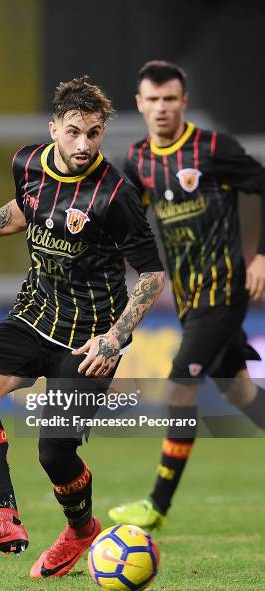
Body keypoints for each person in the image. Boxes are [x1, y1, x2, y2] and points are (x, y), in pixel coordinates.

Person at [0, 76, 165, 578]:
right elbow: (28, 209)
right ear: (54, 128)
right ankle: (3, 517)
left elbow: (152, 274)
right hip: (33, 315)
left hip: (91, 337)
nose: (85, 145)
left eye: (95, 133)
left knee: (53, 449)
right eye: (76, 132)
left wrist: (116, 337)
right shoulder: (27, 162)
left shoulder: (115, 194)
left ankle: (81, 530)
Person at [108, 60, 265, 529]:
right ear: (139, 104)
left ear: (183, 102)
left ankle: (157, 503)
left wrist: (261, 257)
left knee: (180, 385)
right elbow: (126, 226)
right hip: (188, 298)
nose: (161, 108)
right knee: (236, 390)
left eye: (169, 99)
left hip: (223, 290)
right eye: (152, 100)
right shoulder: (137, 160)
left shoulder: (213, 148)